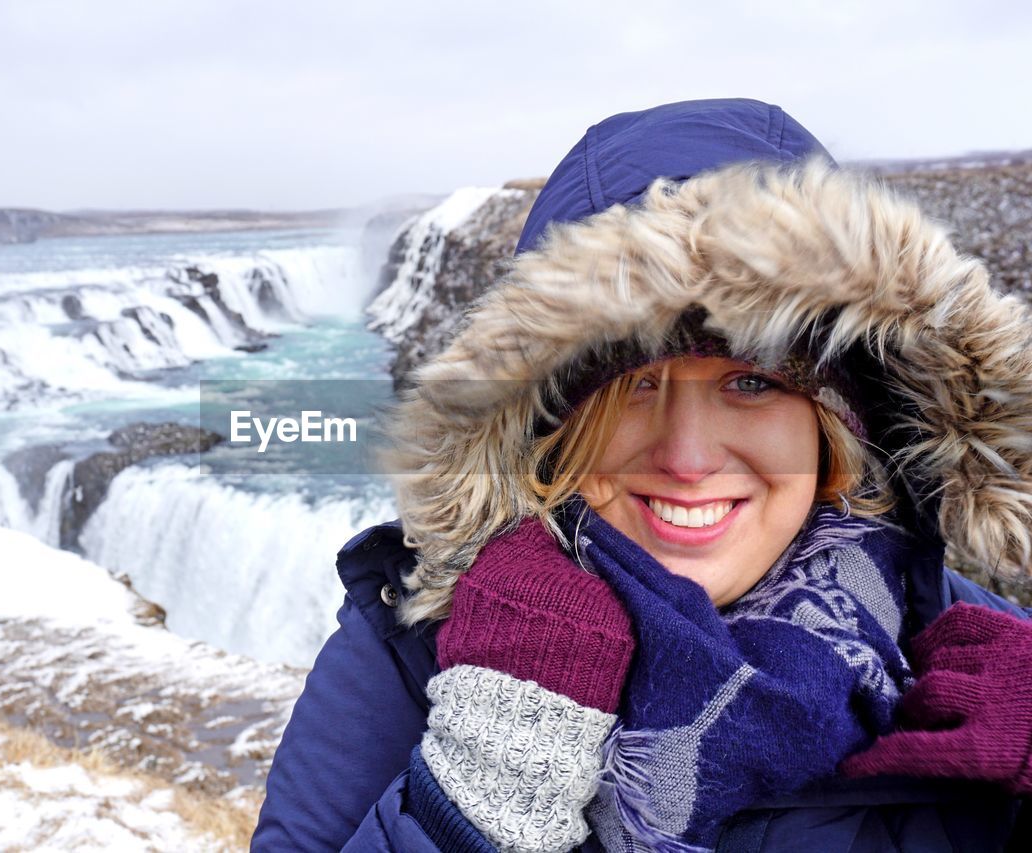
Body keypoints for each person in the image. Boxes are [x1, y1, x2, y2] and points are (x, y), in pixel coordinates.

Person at [251, 99, 1032, 851]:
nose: (688, 458)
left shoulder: (985, 672)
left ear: (839, 426)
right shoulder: (408, 656)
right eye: (633, 388)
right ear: (549, 424)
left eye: (752, 383)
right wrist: (475, 802)